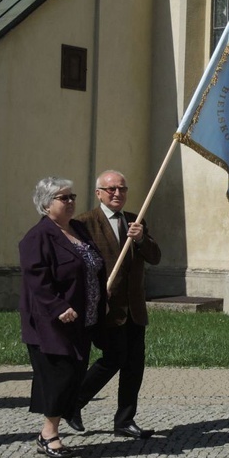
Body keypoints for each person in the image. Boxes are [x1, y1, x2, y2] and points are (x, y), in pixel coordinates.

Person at [67, 169, 161, 439]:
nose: (117, 193)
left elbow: (155, 256)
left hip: (134, 308)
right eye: (111, 189)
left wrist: (142, 239)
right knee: (113, 358)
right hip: (105, 307)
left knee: (134, 365)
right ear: (99, 193)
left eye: (122, 189)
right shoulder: (85, 223)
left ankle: (125, 420)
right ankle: (73, 403)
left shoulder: (135, 221)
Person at [19, 176, 106, 458]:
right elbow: (37, 280)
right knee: (60, 375)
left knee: (75, 373)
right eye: (63, 198)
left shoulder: (78, 229)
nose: (70, 202)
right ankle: (49, 434)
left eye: (72, 197)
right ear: (46, 204)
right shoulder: (38, 236)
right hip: (52, 322)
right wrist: (57, 307)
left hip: (83, 317)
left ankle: (52, 429)